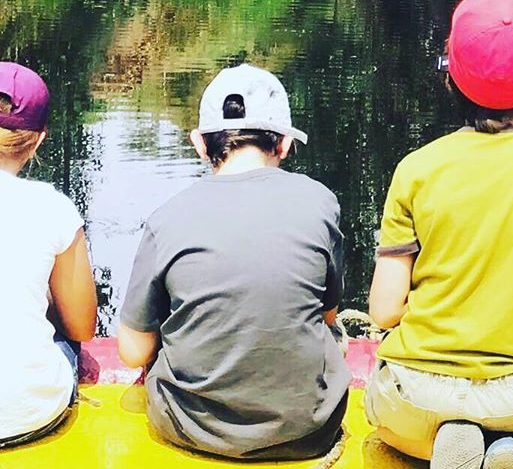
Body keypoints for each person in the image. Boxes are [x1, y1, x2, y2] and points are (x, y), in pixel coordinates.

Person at [366, 0, 513, 469]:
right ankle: (503, 441)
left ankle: (448, 441)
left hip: (418, 396)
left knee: (381, 409)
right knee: (512, 411)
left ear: (450, 77)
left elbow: (385, 311)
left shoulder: (417, 169)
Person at [117, 63, 351, 460]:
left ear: (199, 144)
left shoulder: (166, 218)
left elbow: (133, 352)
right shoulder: (320, 202)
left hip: (190, 429)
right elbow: (328, 316)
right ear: (284, 143)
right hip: (308, 430)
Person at [0, 62, 97, 449]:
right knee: (63, 338)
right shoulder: (52, 209)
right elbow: (82, 327)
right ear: (38, 140)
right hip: (26, 417)